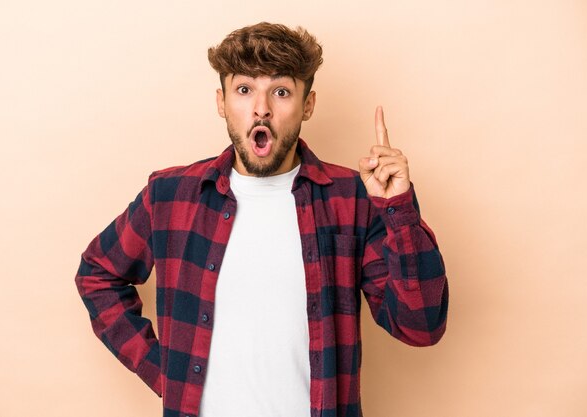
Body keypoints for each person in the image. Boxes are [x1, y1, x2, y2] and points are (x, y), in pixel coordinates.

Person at [75, 22, 448, 417]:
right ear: (221, 102)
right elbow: (98, 274)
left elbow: (420, 326)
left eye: (281, 91)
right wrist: (163, 372)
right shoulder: (170, 196)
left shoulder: (352, 198)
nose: (261, 108)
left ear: (308, 104)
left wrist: (399, 210)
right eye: (244, 90)